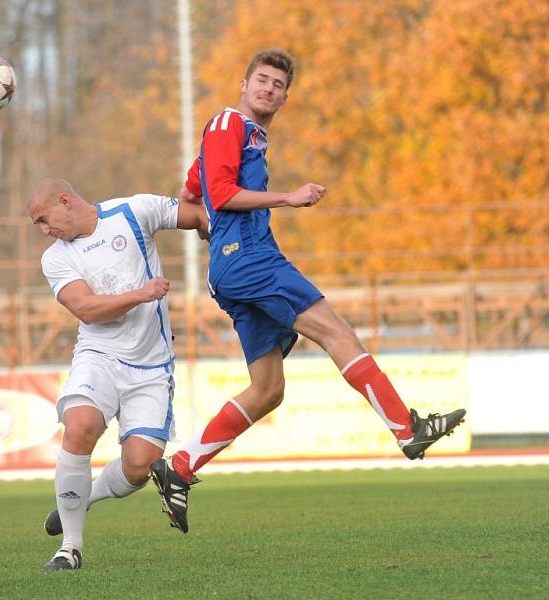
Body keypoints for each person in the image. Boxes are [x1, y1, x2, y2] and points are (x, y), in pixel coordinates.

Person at [148, 48, 467, 534]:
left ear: (285, 97)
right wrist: (287, 198)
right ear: (243, 83)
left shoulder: (245, 136)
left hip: (233, 269)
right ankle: (408, 428)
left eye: (277, 85)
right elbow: (222, 192)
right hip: (252, 261)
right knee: (337, 332)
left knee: (268, 389)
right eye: (261, 80)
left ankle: (180, 468)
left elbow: (194, 190)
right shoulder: (227, 124)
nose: (268, 89)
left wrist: (207, 224)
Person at [29, 177, 208, 570]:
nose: (44, 231)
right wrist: (141, 294)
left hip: (152, 365)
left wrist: (218, 238)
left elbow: (195, 213)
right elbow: (87, 308)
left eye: (44, 219)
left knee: (139, 467)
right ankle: (70, 548)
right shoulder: (56, 257)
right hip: (100, 355)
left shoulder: (132, 210)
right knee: (79, 426)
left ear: (65, 200)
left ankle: (83, 498)